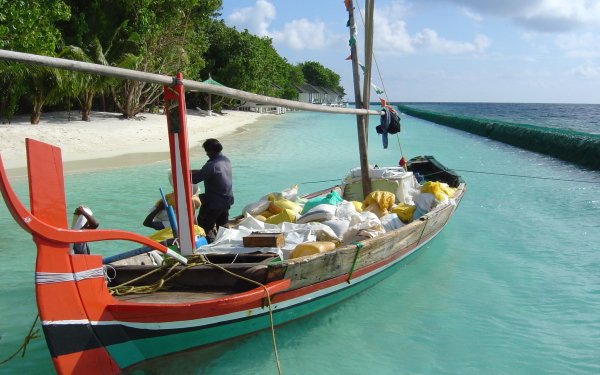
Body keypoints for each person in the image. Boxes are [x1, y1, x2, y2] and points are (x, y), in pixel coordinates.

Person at [191, 138, 234, 243]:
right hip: (227, 199)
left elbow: (195, 179)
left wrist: (180, 175)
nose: (206, 154)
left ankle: (211, 246)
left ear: (210, 151)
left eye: (207, 151)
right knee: (223, 226)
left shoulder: (211, 165)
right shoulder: (225, 160)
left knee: (205, 224)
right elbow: (206, 171)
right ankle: (226, 244)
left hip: (215, 202)